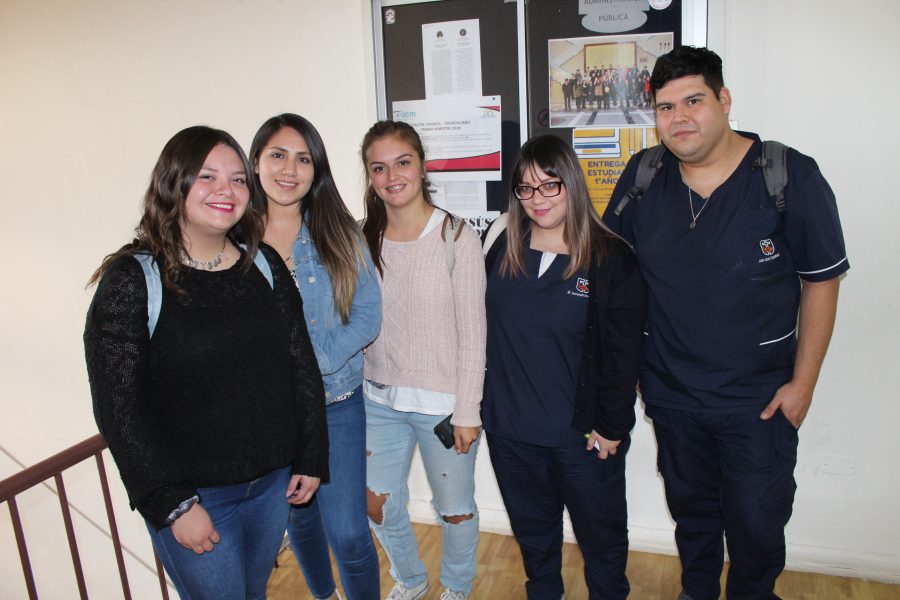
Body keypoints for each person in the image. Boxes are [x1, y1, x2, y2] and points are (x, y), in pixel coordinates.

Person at [603, 46, 849, 600]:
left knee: (758, 525)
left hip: (757, 401)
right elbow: (612, 276)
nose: (679, 118)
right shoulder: (643, 177)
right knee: (693, 519)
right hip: (672, 396)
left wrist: (802, 385)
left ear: (724, 99)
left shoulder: (787, 175)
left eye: (693, 100)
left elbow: (821, 281)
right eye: (665, 108)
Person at [84, 126, 328, 600]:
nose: (226, 190)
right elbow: (119, 408)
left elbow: (300, 365)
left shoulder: (264, 265)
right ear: (173, 184)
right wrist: (172, 504)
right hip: (197, 497)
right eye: (207, 176)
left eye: (238, 179)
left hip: (270, 485)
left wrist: (311, 454)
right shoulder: (133, 281)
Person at [482, 135, 646, 600]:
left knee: (603, 542)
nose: (537, 200)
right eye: (526, 189)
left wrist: (613, 425)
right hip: (511, 432)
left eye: (550, 185)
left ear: (571, 183)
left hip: (583, 438)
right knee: (535, 543)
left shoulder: (611, 257)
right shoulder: (502, 244)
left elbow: (623, 355)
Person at [249, 114, 382, 600]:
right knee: (299, 519)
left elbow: (368, 314)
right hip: (270, 415)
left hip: (337, 402)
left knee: (347, 532)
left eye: (303, 158)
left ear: (316, 168)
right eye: (277, 155)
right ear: (257, 162)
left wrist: (315, 363)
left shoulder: (338, 231)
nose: (290, 169)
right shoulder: (235, 239)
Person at [360, 120, 486, 600]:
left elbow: (475, 336)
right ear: (370, 176)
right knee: (376, 504)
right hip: (378, 400)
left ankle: (456, 587)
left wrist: (468, 412)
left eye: (402, 162)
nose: (392, 175)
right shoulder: (361, 238)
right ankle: (410, 580)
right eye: (379, 167)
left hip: (443, 407)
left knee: (454, 508)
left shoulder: (457, 238)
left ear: (422, 165)